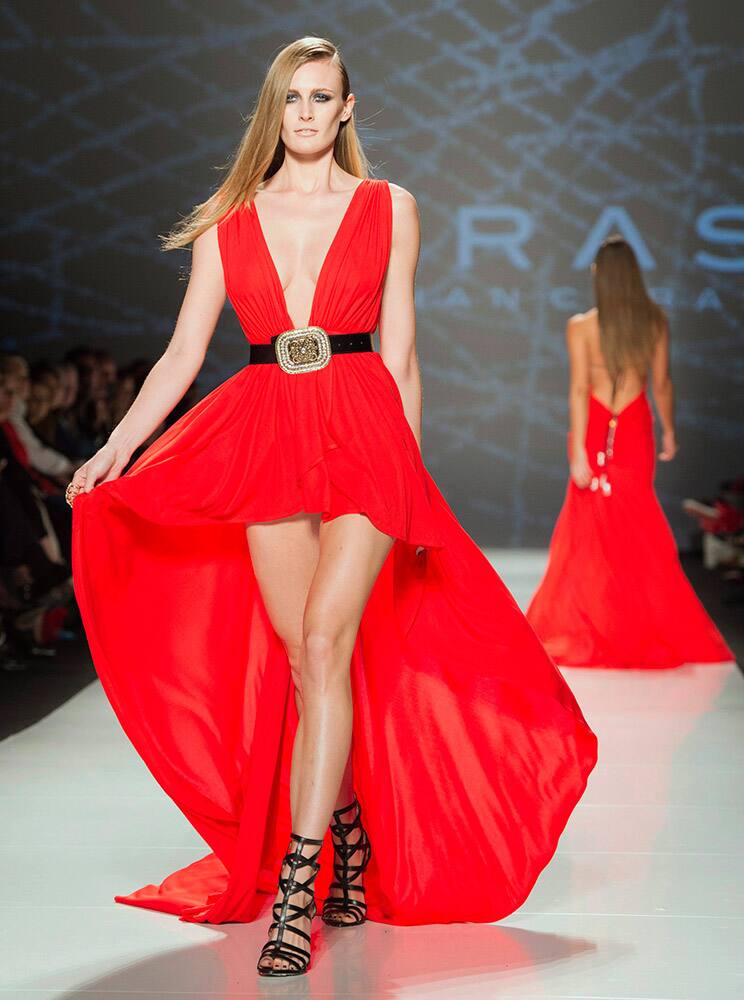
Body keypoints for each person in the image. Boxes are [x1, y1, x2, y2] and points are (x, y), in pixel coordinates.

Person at [67, 37, 598, 978]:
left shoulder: (390, 208)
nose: (305, 113)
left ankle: (298, 890)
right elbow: (183, 355)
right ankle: (347, 838)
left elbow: (401, 350)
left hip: (365, 435)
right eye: (290, 99)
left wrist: (413, 473)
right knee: (310, 668)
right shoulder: (231, 219)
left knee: (324, 643)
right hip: (267, 433)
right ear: (273, 112)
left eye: (321, 97)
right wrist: (115, 449)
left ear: (349, 108)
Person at [526, 235, 733, 670]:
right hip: (635, 426)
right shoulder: (654, 320)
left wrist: (580, 454)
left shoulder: (581, 325)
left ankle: (598, 622)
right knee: (635, 523)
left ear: (600, 275)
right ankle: (633, 623)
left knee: (592, 530)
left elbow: (580, 389)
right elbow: (662, 384)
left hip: (596, 426)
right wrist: (671, 431)